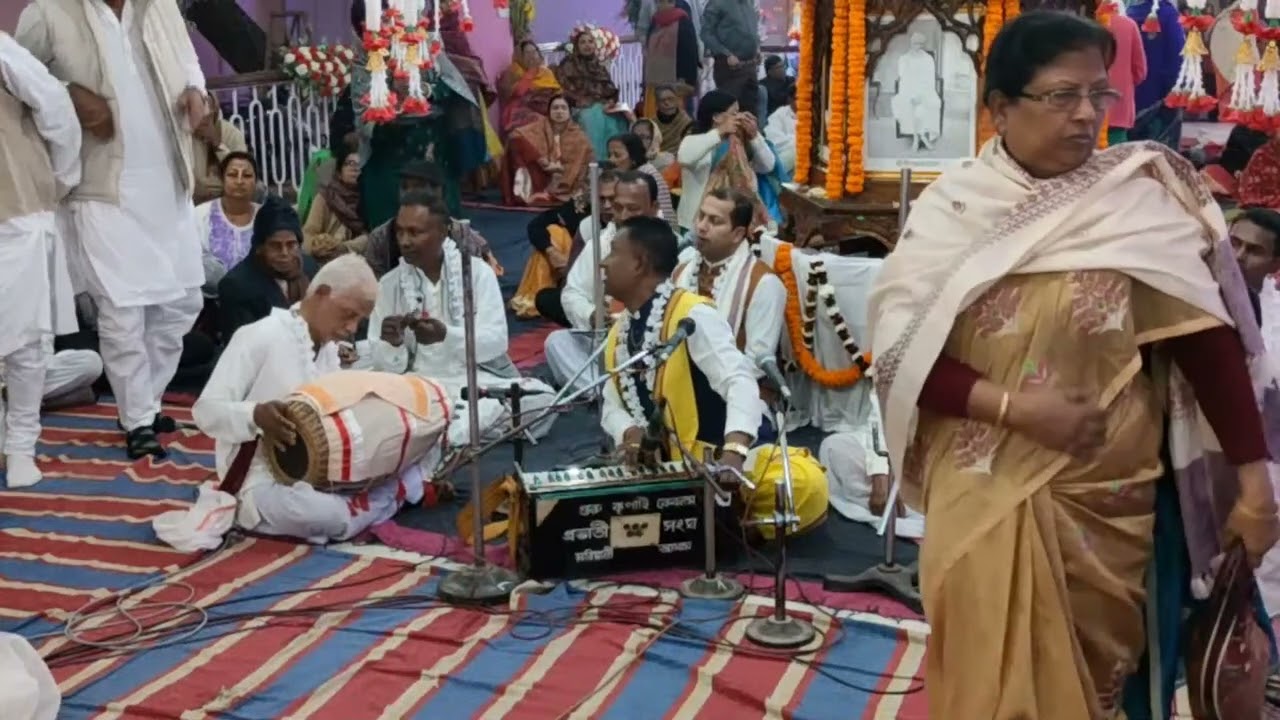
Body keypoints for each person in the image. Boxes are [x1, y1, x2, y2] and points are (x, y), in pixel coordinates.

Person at [866, 12, 1279, 717]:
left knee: (1095, 688)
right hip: (984, 487)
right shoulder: (955, 210)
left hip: (1111, 497)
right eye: (1062, 96)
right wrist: (1016, 409)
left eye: (1099, 96)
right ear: (1000, 108)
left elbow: (1205, 346)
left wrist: (1255, 481)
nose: (1087, 115)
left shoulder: (1136, 203)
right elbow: (902, 358)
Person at [17, 0, 210, 460]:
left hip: (169, 179)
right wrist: (67, 92)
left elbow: (189, 63)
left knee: (182, 303)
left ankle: (146, 402)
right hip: (99, 185)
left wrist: (197, 93)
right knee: (122, 310)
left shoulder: (159, 5)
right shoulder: (47, 12)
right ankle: (138, 420)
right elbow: (15, 85)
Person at [190, 255, 429, 543]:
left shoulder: (329, 351)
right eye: (348, 314)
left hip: (318, 475)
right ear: (322, 293)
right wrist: (255, 416)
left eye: (359, 320)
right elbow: (205, 411)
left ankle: (373, 501)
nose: (352, 328)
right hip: (259, 480)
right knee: (323, 514)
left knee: (412, 450)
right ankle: (387, 498)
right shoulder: (259, 336)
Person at [369, 194, 556, 444]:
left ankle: (435, 432)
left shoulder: (477, 274)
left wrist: (446, 336)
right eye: (400, 232)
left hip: (475, 384)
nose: (404, 241)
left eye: (415, 233)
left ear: (444, 232)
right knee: (372, 403)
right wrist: (392, 344)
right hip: (417, 386)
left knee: (541, 400)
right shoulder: (389, 285)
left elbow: (496, 343)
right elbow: (384, 368)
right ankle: (457, 429)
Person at [598, 215, 761, 492]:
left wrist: (734, 452)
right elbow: (611, 404)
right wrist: (630, 433)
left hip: (710, 470)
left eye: (613, 252)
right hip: (656, 472)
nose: (603, 262)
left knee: (800, 483)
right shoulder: (620, 331)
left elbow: (739, 380)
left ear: (639, 264)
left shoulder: (692, 315)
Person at [0, 31, 80, 488]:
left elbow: (54, 103)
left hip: (16, 213)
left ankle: (21, 448)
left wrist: (60, 177)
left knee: (27, 341)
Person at [544, 172, 663, 394]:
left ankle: (619, 392)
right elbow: (572, 293)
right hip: (607, 339)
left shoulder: (673, 248)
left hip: (653, 347)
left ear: (654, 207)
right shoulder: (599, 244)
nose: (623, 216)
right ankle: (605, 393)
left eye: (633, 209)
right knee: (557, 342)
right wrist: (592, 314)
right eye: (618, 208)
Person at [673, 189, 784, 375]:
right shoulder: (681, 270)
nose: (701, 226)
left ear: (738, 234)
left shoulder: (764, 284)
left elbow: (757, 363)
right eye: (701, 216)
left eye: (714, 221)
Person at [362, 161, 498, 280]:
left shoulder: (461, 237)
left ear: (438, 192)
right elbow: (374, 292)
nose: (409, 193)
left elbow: (474, 289)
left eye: (417, 186)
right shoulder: (381, 238)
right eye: (404, 187)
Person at [818, 389, 925, 539]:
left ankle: (912, 505)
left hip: (943, 457)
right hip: (900, 451)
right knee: (833, 447)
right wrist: (880, 473)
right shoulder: (900, 368)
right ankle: (893, 503)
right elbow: (880, 419)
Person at [522, 169, 620, 326]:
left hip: (626, 297)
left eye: (613, 199)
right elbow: (572, 282)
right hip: (593, 294)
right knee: (548, 300)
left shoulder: (639, 227)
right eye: (601, 199)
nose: (607, 205)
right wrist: (589, 313)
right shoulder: (586, 222)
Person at [218, 197, 317, 342]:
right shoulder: (236, 286)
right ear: (259, 247)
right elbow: (243, 351)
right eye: (275, 246)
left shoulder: (309, 268)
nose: (285, 253)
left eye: (291, 245)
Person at [677, 90, 779, 232]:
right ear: (717, 117)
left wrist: (755, 136)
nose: (739, 117)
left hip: (734, 219)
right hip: (697, 220)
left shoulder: (740, 141)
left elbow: (768, 166)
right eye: (734, 113)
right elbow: (685, 158)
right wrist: (719, 132)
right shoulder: (694, 139)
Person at [502, 94, 593, 207]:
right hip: (542, 174)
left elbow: (580, 164)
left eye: (563, 108)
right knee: (516, 141)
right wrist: (543, 161)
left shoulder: (579, 136)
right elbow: (515, 135)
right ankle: (528, 194)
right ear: (549, 111)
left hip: (567, 178)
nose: (559, 112)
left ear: (570, 111)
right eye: (555, 108)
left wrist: (559, 169)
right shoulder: (539, 127)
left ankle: (552, 193)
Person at [554, 26, 631, 159]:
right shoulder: (568, 64)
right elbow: (564, 89)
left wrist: (611, 101)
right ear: (576, 46)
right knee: (592, 117)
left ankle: (619, 158)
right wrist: (584, 101)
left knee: (621, 117)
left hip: (602, 105)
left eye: (590, 42)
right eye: (583, 42)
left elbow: (610, 88)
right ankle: (597, 161)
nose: (587, 45)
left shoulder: (598, 66)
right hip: (580, 106)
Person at [195, 151, 260, 296]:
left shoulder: (266, 217)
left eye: (247, 175)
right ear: (222, 179)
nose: (239, 181)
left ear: (256, 181)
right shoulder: (200, 216)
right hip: (210, 303)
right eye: (232, 174)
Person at [1126, 0, 1186, 148]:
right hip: (1161, 95)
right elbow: (1177, 56)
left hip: (1130, 95)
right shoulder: (1167, 14)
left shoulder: (1125, 14)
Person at [303, 148, 368, 264]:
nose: (355, 168)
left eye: (360, 164)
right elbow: (309, 232)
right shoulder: (326, 197)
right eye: (350, 163)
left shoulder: (370, 197)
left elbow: (371, 236)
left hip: (359, 261)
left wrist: (343, 248)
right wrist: (318, 245)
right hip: (325, 260)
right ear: (339, 171)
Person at [701, 0, 761, 119]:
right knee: (730, 112)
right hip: (730, 68)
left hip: (750, 68)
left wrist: (757, 49)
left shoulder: (749, 3)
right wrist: (726, 54)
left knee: (751, 114)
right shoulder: (717, 3)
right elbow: (706, 33)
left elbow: (752, 32)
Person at [642, 0, 700, 117]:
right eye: (657, 3)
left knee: (680, 119)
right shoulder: (655, 21)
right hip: (655, 82)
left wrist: (688, 81)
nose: (658, 6)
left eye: (660, 3)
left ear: (672, 3)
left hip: (678, 83)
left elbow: (690, 53)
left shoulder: (683, 21)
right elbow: (648, 45)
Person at [606, 132, 676, 225]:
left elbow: (662, 215)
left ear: (633, 156)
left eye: (617, 155)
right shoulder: (626, 175)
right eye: (609, 155)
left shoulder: (645, 175)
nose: (611, 160)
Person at [191, 93, 248, 205]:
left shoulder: (231, 133)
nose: (203, 119)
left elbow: (241, 171)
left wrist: (217, 143)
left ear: (214, 112)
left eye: (207, 113)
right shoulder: (185, 137)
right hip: (194, 201)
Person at [891, 33, 942, 152]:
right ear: (911, 44)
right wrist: (912, 94)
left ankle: (921, 136)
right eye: (915, 44)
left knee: (932, 103)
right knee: (908, 104)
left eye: (920, 44)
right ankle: (918, 137)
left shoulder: (928, 59)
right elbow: (903, 78)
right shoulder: (904, 59)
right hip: (908, 88)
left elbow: (930, 79)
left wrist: (921, 95)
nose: (917, 46)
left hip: (925, 89)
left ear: (923, 45)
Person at [498, 39, 561, 133]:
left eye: (534, 51)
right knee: (540, 122)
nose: (532, 55)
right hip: (520, 111)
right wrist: (531, 72)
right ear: (520, 56)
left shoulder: (546, 72)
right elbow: (518, 93)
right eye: (527, 53)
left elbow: (557, 92)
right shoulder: (514, 72)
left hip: (546, 108)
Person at [1104, 13, 1145, 145]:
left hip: (1081, 108)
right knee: (1118, 159)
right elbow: (1140, 71)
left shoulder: (1076, 24)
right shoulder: (1127, 25)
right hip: (1118, 106)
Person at [652, 85, 695, 157]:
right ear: (657, 104)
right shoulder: (651, 124)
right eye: (662, 100)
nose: (667, 103)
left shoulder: (687, 123)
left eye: (670, 99)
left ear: (677, 101)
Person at [765, 84, 798, 177]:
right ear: (790, 99)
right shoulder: (780, 114)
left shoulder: (814, 115)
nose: (802, 102)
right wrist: (799, 141)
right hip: (783, 159)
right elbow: (774, 140)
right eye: (797, 98)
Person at [758, 55, 791, 120]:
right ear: (769, 71)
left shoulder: (791, 81)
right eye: (778, 67)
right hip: (772, 120)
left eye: (783, 66)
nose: (783, 69)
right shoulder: (763, 86)